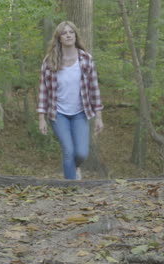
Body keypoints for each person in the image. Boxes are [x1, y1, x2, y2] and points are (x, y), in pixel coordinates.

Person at [37, 21, 104, 180]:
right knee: (68, 151)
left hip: (80, 113)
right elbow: (43, 91)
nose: (68, 35)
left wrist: (99, 117)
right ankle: (70, 190)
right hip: (58, 113)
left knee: (81, 153)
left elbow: (94, 89)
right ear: (59, 38)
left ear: (75, 35)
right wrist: (41, 118)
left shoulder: (86, 59)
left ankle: (74, 169)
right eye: (64, 33)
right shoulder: (49, 61)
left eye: (71, 32)